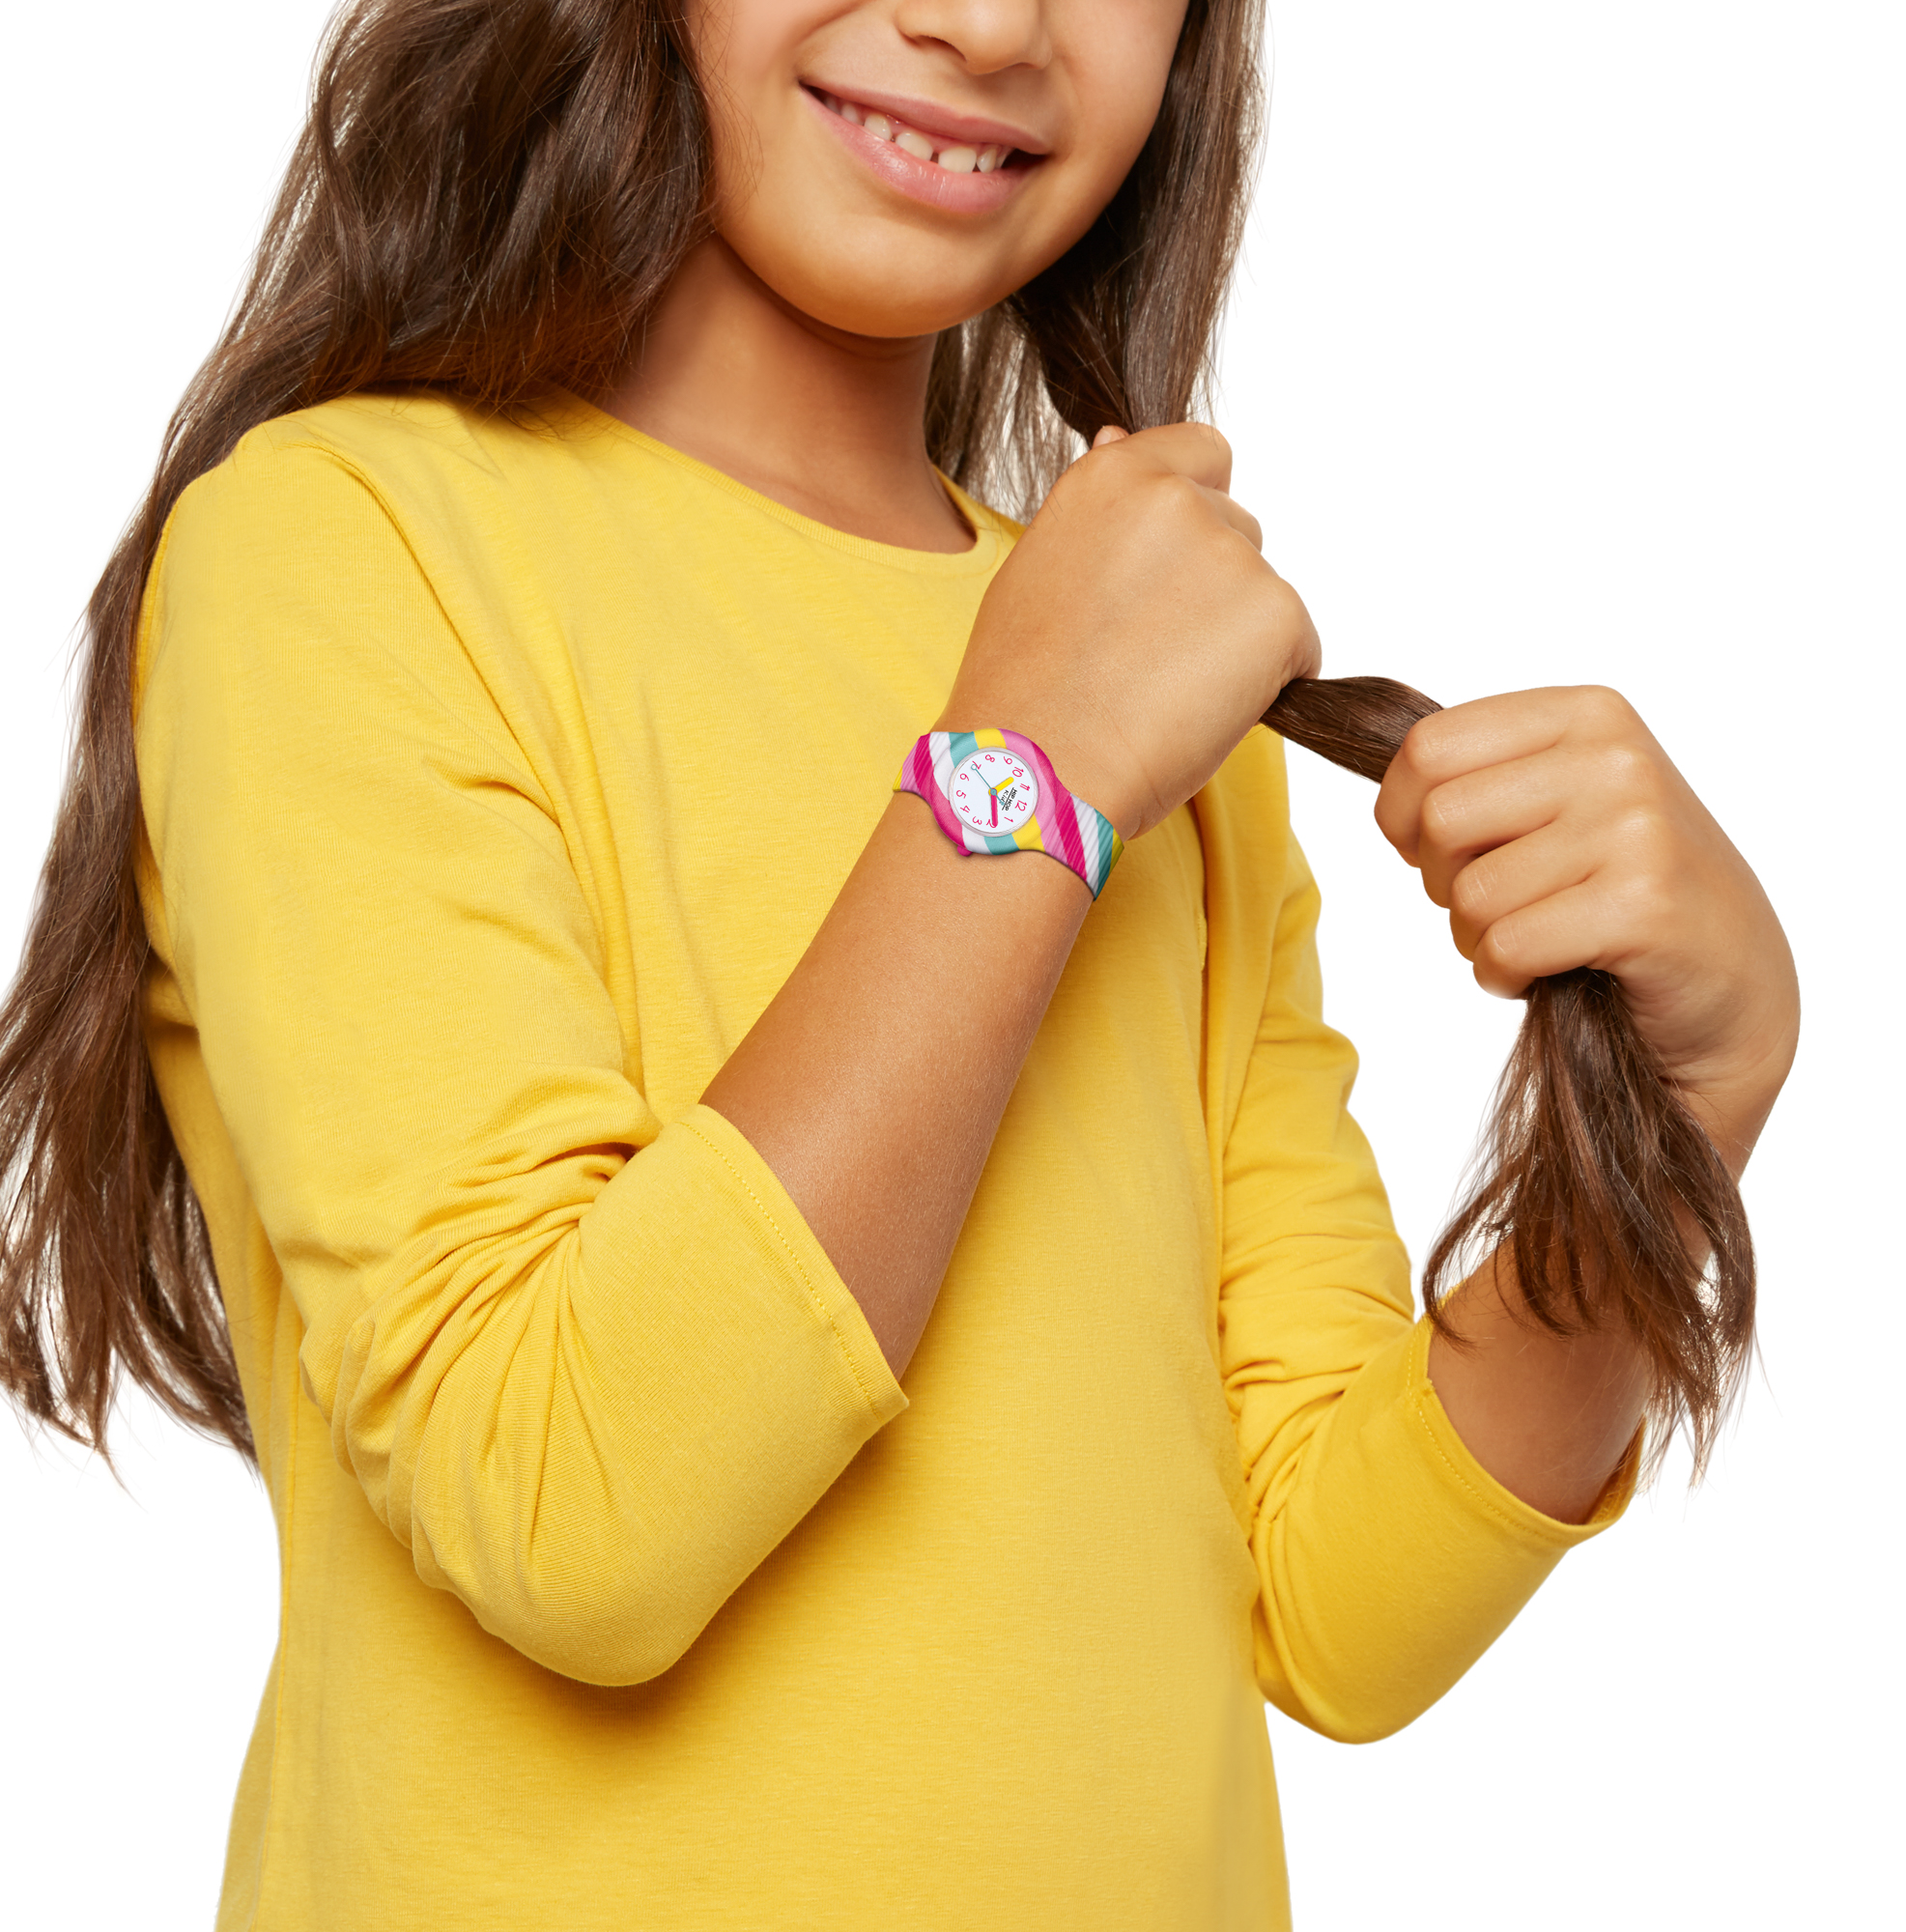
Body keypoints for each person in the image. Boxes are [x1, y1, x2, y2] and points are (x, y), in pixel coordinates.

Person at [0, 1, 1799, 1925]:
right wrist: (1027, 777)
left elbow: (1332, 1598)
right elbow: (572, 1500)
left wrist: (1687, 1110)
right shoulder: (351, 546)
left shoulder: (1165, 719)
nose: (989, 22)